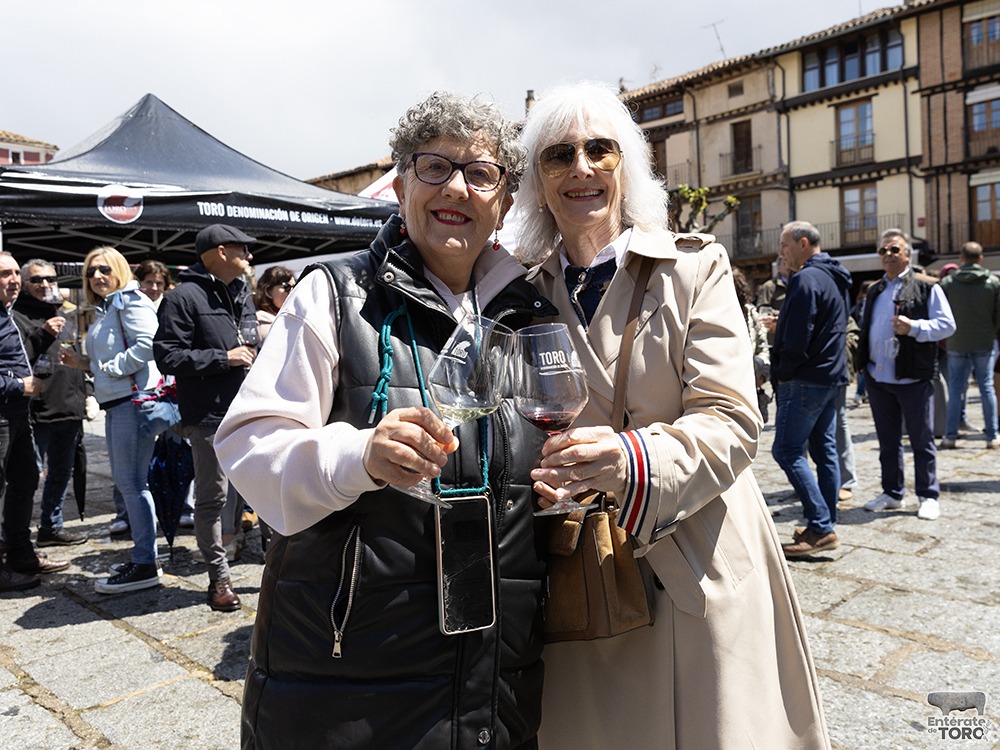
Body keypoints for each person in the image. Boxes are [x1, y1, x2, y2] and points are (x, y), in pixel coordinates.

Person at [215, 91, 557, 749]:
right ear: (401, 186)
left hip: (496, 678)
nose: (457, 185)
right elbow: (250, 449)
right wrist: (361, 456)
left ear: (505, 204)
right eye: (435, 167)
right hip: (351, 681)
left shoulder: (527, 318)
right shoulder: (335, 294)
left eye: (481, 173)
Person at [513, 82, 829, 750]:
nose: (582, 168)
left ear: (628, 166)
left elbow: (733, 418)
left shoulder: (695, 267)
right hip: (578, 570)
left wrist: (629, 458)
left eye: (601, 149)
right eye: (558, 155)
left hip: (690, 556)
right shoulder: (516, 288)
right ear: (537, 181)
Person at [153, 224, 257, 612]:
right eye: (242, 248)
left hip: (250, 411)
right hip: (210, 415)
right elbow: (167, 356)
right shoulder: (182, 297)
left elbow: (249, 344)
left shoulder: (241, 293)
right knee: (212, 499)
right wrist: (222, 359)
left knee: (265, 485)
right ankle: (219, 579)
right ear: (218, 251)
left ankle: (276, 562)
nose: (249, 256)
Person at [61, 247, 164, 592]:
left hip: (131, 403)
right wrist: (84, 364)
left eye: (104, 269)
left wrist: (110, 367)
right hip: (118, 403)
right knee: (132, 484)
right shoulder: (109, 307)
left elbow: (149, 344)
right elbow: (115, 356)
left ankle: (145, 563)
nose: (96, 277)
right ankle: (144, 557)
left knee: (131, 484)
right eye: (90, 272)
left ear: (119, 269)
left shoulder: (130, 301)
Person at [858, 229, 955, 521]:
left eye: (895, 250)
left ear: (908, 255)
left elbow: (947, 326)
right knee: (887, 441)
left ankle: (928, 495)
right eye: (883, 251)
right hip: (878, 377)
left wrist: (913, 327)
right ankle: (892, 493)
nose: (888, 255)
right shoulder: (874, 289)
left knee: (921, 440)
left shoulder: (927, 286)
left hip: (912, 377)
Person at [770, 221, 852, 557]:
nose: (781, 253)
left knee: (787, 451)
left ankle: (820, 525)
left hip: (805, 378)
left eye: (784, 245)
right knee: (825, 452)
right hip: (830, 377)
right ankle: (825, 523)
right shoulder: (835, 276)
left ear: (803, 243)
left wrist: (782, 371)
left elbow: (799, 334)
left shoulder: (805, 278)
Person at [0, 253, 69, 592]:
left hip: (17, 415)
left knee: (25, 481)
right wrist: (18, 386)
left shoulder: (7, 314)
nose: (13, 279)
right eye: (4, 274)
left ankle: (20, 555)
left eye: (15, 273)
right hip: (4, 412)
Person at [12, 259, 88, 547]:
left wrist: (86, 391)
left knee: (61, 473)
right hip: (37, 410)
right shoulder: (15, 316)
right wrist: (43, 332)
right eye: (37, 280)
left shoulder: (63, 313)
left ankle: (51, 527)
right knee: (27, 478)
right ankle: (15, 536)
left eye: (51, 279)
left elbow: (73, 355)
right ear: (24, 285)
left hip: (69, 407)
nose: (45, 284)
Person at [939, 242, 1000, 449]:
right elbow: (998, 316)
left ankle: (950, 436)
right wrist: (990, 331)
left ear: (961, 258)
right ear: (981, 258)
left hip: (956, 341)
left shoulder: (947, 283)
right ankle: (992, 436)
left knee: (955, 388)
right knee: (986, 387)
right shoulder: (993, 282)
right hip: (984, 340)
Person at [252, 265, 295, 341]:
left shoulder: (294, 316)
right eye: (286, 287)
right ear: (268, 290)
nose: (291, 292)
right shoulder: (261, 323)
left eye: (294, 287)